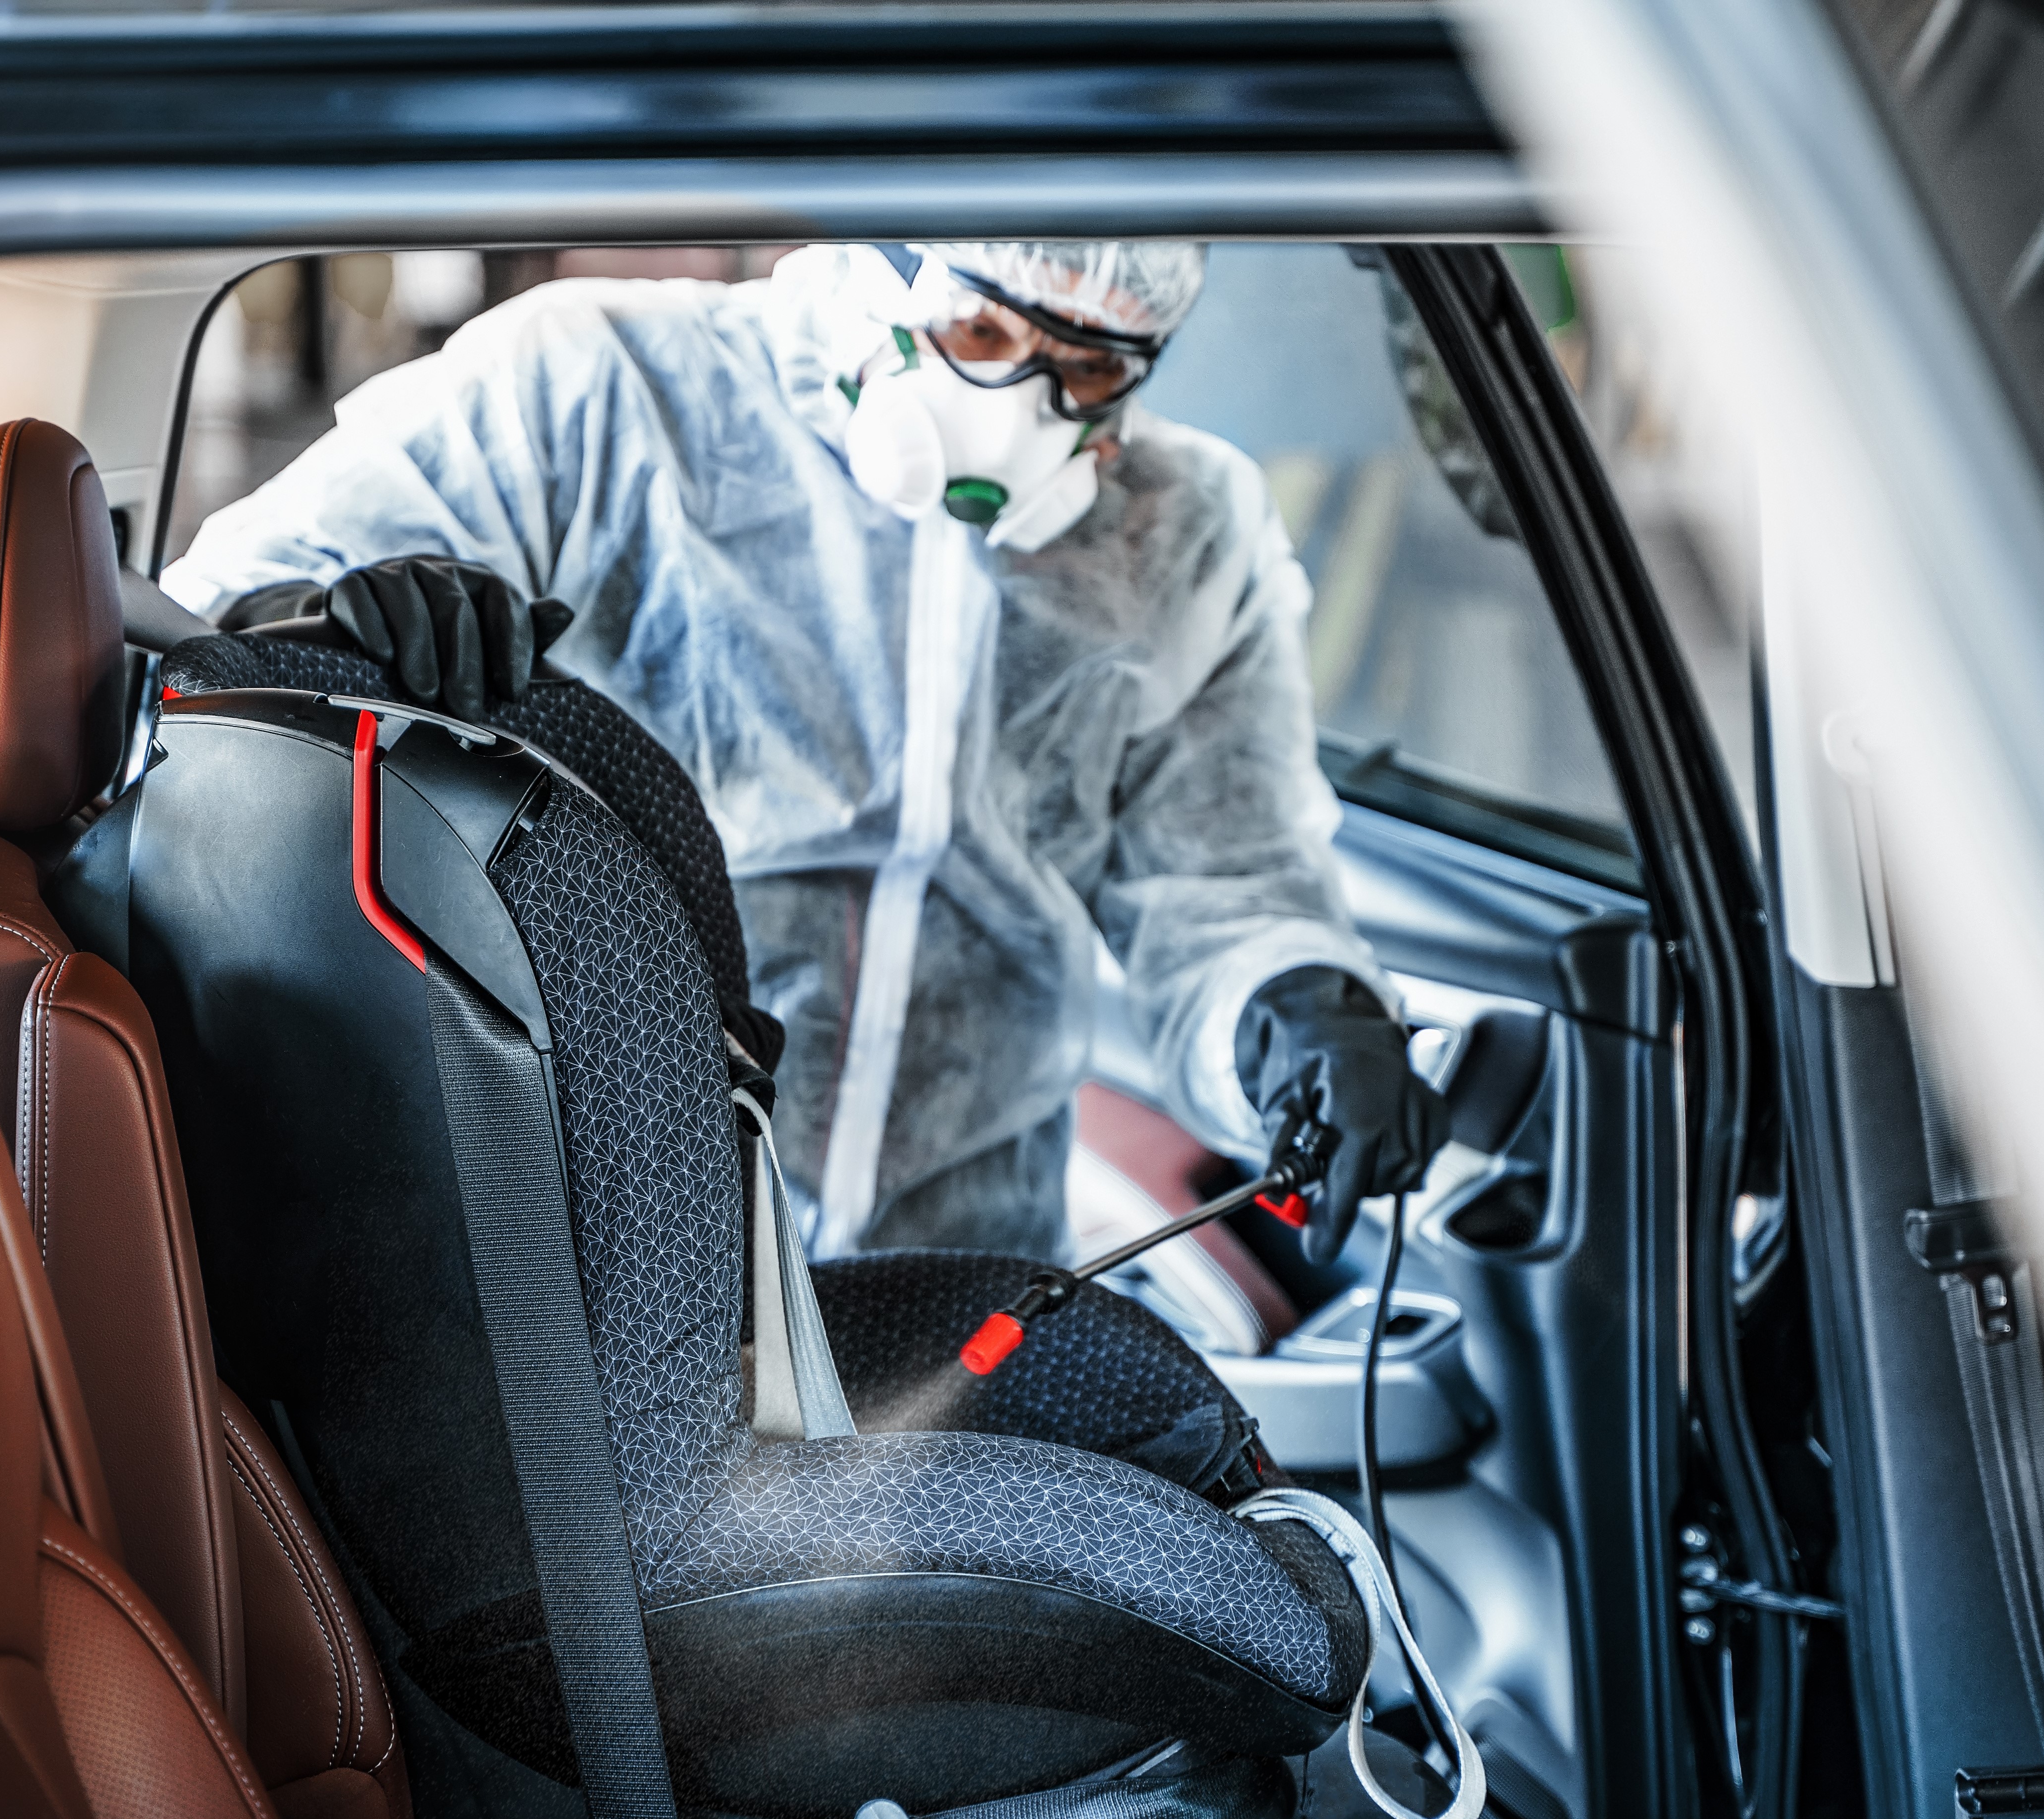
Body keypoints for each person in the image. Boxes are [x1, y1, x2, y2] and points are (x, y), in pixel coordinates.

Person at [163, 241, 1444, 1265]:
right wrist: (338, 624)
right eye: (984, 333)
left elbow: (1228, 889)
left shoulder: (1178, 535)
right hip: (605, 1259)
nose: (1023, 410)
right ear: (871, 264)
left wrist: (1296, 1009)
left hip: (959, 1267)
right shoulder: (596, 392)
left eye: (1090, 369)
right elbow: (200, 640)